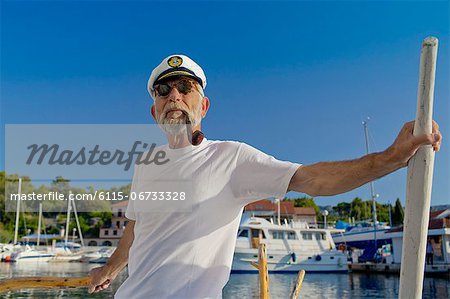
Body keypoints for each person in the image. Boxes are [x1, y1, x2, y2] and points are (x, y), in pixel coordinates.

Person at [88, 54, 442, 298]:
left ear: (203, 106)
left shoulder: (231, 158)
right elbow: (136, 225)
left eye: (185, 87)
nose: (174, 96)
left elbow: (313, 180)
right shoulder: (147, 164)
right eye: (164, 91)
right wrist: (111, 267)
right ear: (154, 111)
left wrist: (390, 158)